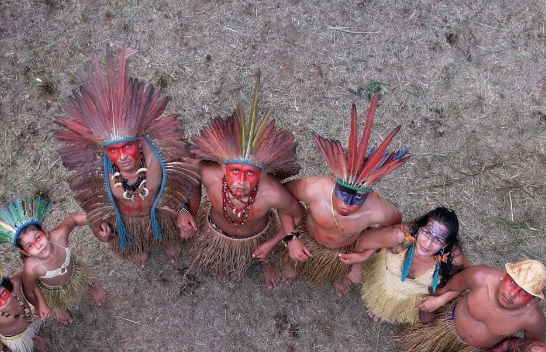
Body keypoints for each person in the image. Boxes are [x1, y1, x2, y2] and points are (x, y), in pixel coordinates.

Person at [56, 49, 200, 267]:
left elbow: (189, 182)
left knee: (171, 232)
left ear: (139, 141)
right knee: (134, 243)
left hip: (162, 214)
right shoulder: (97, 170)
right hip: (127, 223)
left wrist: (183, 211)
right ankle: (138, 246)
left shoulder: (159, 156)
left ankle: (170, 239)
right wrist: (98, 226)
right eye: (113, 150)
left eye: (127, 146)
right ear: (103, 151)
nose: (122, 156)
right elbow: (92, 203)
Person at [282, 95, 409, 296]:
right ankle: (294, 264)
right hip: (307, 236)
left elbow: (389, 231)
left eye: (357, 198)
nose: (347, 204)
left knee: (340, 267)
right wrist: (291, 239)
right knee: (296, 259)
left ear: (368, 194)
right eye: (343, 194)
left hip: (345, 250)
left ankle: (339, 274)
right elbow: (283, 199)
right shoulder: (314, 189)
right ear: (334, 183)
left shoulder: (378, 210)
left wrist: (362, 258)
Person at [185, 79, 303, 286]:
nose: (241, 181)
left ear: (262, 173)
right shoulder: (208, 174)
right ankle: (220, 257)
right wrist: (185, 211)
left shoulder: (272, 193)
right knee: (217, 259)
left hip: (258, 235)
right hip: (215, 231)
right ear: (223, 168)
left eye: (250, 173)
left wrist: (280, 241)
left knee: (264, 252)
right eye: (235, 171)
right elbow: (186, 176)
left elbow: (297, 214)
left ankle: (266, 260)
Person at [403, 259, 546, 352]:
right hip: (447, 325)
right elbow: (450, 287)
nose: (512, 294)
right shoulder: (481, 276)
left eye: (524, 293)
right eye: (513, 283)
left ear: (533, 299)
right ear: (504, 275)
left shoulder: (532, 319)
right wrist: (437, 301)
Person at [0, 197, 107, 324]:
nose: (38, 246)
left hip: (75, 272)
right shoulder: (31, 267)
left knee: (83, 279)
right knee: (58, 301)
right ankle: (60, 308)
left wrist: (96, 221)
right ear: (25, 252)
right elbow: (29, 290)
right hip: (54, 290)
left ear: (46, 232)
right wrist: (40, 305)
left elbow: (73, 220)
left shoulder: (59, 237)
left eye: (38, 237)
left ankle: (91, 286)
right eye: (30, 246)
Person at [342, 207, 467, 324]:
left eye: (438, 240)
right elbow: (364, 240)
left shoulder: (453, 258)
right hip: (386, 281)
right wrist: (356, 269)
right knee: (378, 302)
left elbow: (465, 280)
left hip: (414, 298)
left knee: (425, 318)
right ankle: (381, 305)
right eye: (427, 232)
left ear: (446, 244)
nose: (428, 243)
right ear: (419, 227)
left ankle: (396, 311)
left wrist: (441, 300)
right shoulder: (399, 236)